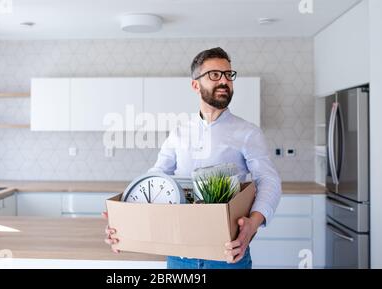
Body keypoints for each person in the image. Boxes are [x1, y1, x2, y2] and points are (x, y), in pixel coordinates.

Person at [104, 47, 282, 269]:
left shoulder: (247, 132)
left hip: (227, 255)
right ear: (195, 84)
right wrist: (125, 219)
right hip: (179, 255)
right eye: (215, 75)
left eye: (228, 74)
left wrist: (252, 224)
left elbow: (268, 180)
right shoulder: (179, 132)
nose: (224, 81)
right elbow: (155, 179)